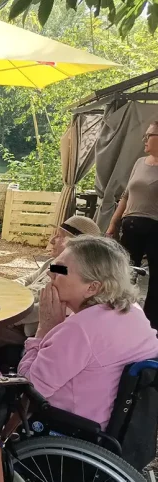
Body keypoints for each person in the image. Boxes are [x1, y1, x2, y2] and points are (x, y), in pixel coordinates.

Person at [19, 236, 158, 428]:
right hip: (115, 428)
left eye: (60, 271)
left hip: (68, 428)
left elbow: (28, 388)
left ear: (92, 287)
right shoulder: (134, 311)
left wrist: (44, 329)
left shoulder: (79, 329)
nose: (51, 275)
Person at [105, 121, 158, 330]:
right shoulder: (140, 163)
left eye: (149, 135)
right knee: (124, 273)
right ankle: (121, 315)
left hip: (154, 228)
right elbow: (126, 196)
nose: (144, 139)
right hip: (131, 225)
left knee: (155, 278)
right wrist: (113, 223)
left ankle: (150, 325)